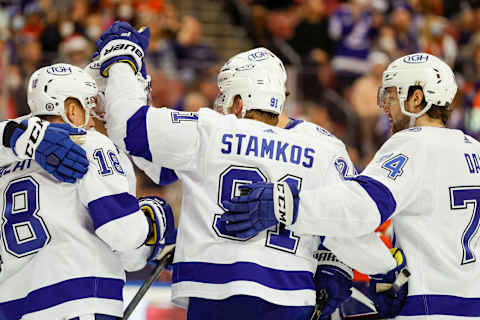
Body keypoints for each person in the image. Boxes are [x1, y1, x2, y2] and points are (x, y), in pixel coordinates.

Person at [93, 22, 398, 319]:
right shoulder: (324, 147)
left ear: (239, 100)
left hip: (212, 292)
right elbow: (350, 225)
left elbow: (129, 127)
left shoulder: (209, 130)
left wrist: (123, 60)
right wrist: (383, 272)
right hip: (291, 294)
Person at [222, 53, 480, 319]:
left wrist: (286, 205)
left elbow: (361, 208)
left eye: (391, 96)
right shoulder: (474, 150)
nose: (385, 107)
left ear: (416, 99)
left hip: (428, 308)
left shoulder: (414, 144)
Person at [0, 63, 175, 320]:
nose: (92, 119)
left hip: (11, 305)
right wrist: (152, 223)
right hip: (77, 299)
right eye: (88, 107)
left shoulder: (8, 160)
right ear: (72, 109)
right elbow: (123, 233)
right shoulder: (88, 142)